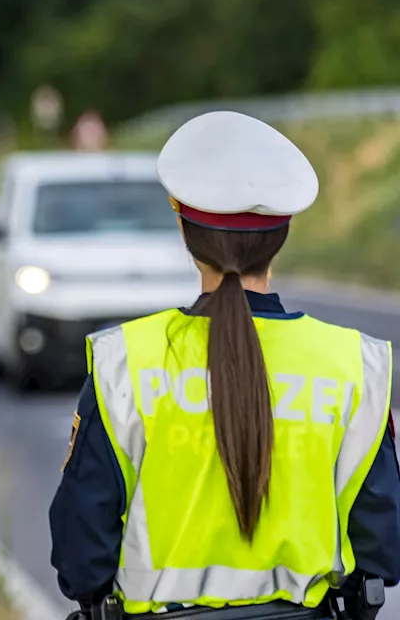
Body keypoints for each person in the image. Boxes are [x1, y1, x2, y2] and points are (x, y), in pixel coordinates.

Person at [49, 110, 400, 619]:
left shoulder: (125, 361)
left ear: (183, 227)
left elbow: (81, 557)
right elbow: (383, 547)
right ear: (283, 232)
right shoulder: (355, 365)